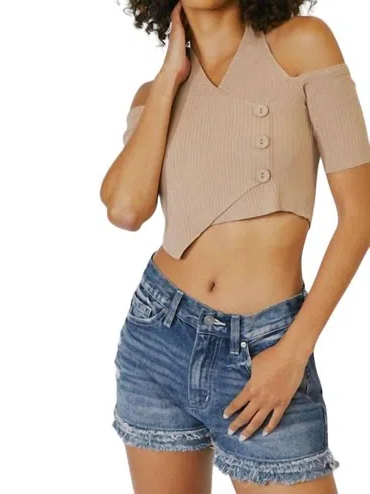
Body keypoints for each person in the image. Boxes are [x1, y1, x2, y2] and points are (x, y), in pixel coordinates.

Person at [100, 1, 370, 492]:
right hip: (157, 338)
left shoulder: (303, 44)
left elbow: (361, 214)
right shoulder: (156, 94)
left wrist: (291, 355)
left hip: (266, 346)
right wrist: (169, 75)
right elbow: (125, 210)